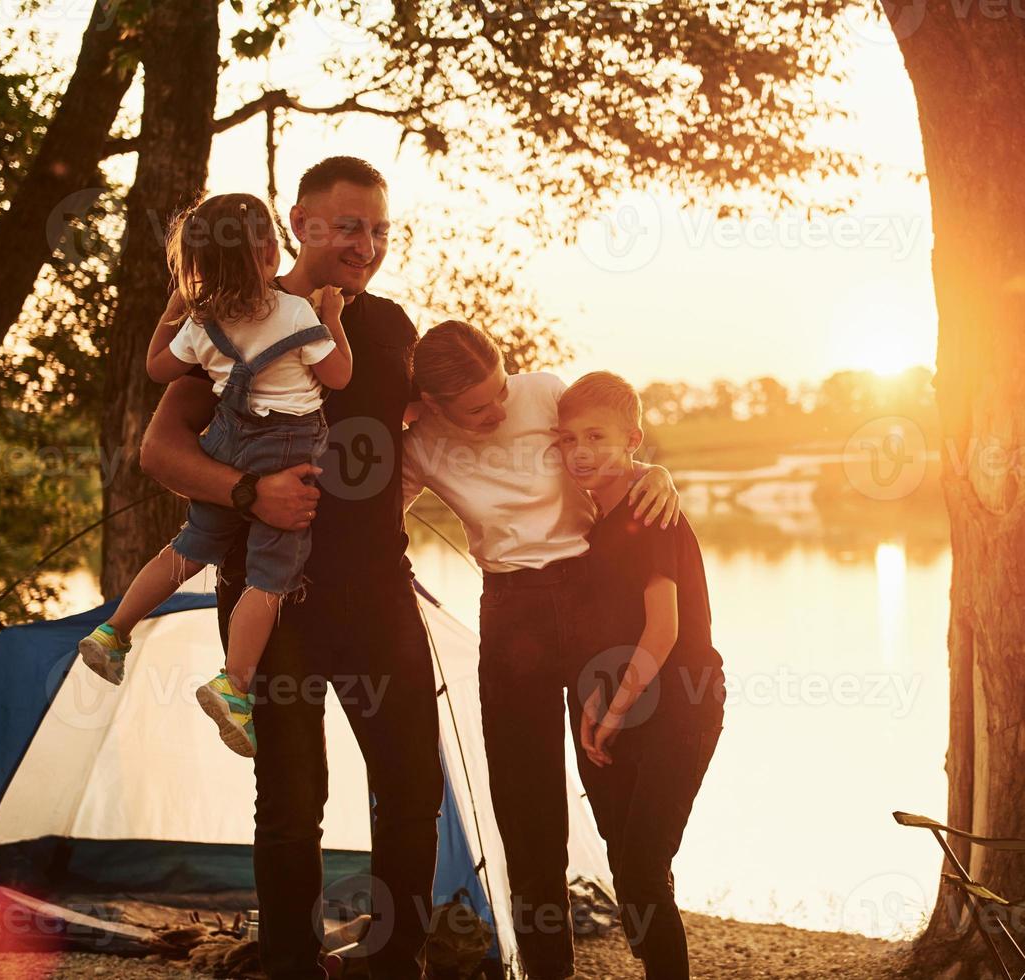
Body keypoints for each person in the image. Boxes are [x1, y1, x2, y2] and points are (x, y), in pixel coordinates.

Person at [141, 157, 444, 979]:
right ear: (301, 221)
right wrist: (248, 490)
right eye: (348, 226)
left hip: (379, 592)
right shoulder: (234, 316)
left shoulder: (386, 326)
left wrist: (639, 467)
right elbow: (160, 449)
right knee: (288, 804)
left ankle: (395, 965)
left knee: (414, 791)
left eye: (380, 230)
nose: (366, 245)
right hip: (275, 595)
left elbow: (475, 412)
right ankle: (289, 966)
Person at [401, 321, 681, 980]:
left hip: (593, 600)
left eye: (501, 390)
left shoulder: (546, 393)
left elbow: (609, 447)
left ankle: (663, 962)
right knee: (527, 817)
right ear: (436, 405)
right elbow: (373, 522)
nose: (500, 409)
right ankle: (547, 970)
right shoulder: (420, 444)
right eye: (478, 408)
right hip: (510, 614)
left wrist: (658, 472)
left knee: (620, 797)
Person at [78, 192, 351, 759]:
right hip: (286, 450)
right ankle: (234, 683)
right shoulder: (297, 313)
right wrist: (334, 320)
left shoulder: (202, 322)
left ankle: (114, 630)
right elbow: (339, 375)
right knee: (270, 575)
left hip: (227, 443)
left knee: (190, 547)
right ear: (270, 253)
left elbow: (157, 367)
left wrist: (177, 304)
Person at [555, 372, 725, 980]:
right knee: (627, 866)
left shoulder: (650, 510)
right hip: (611, 704)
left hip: (678, 703)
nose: (580, 450)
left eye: (595, 436)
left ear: (633, 438)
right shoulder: (585, 516)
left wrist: (616, 710)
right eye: (568, 437)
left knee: (645, 867)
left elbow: (664, 631)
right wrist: (593, 706)